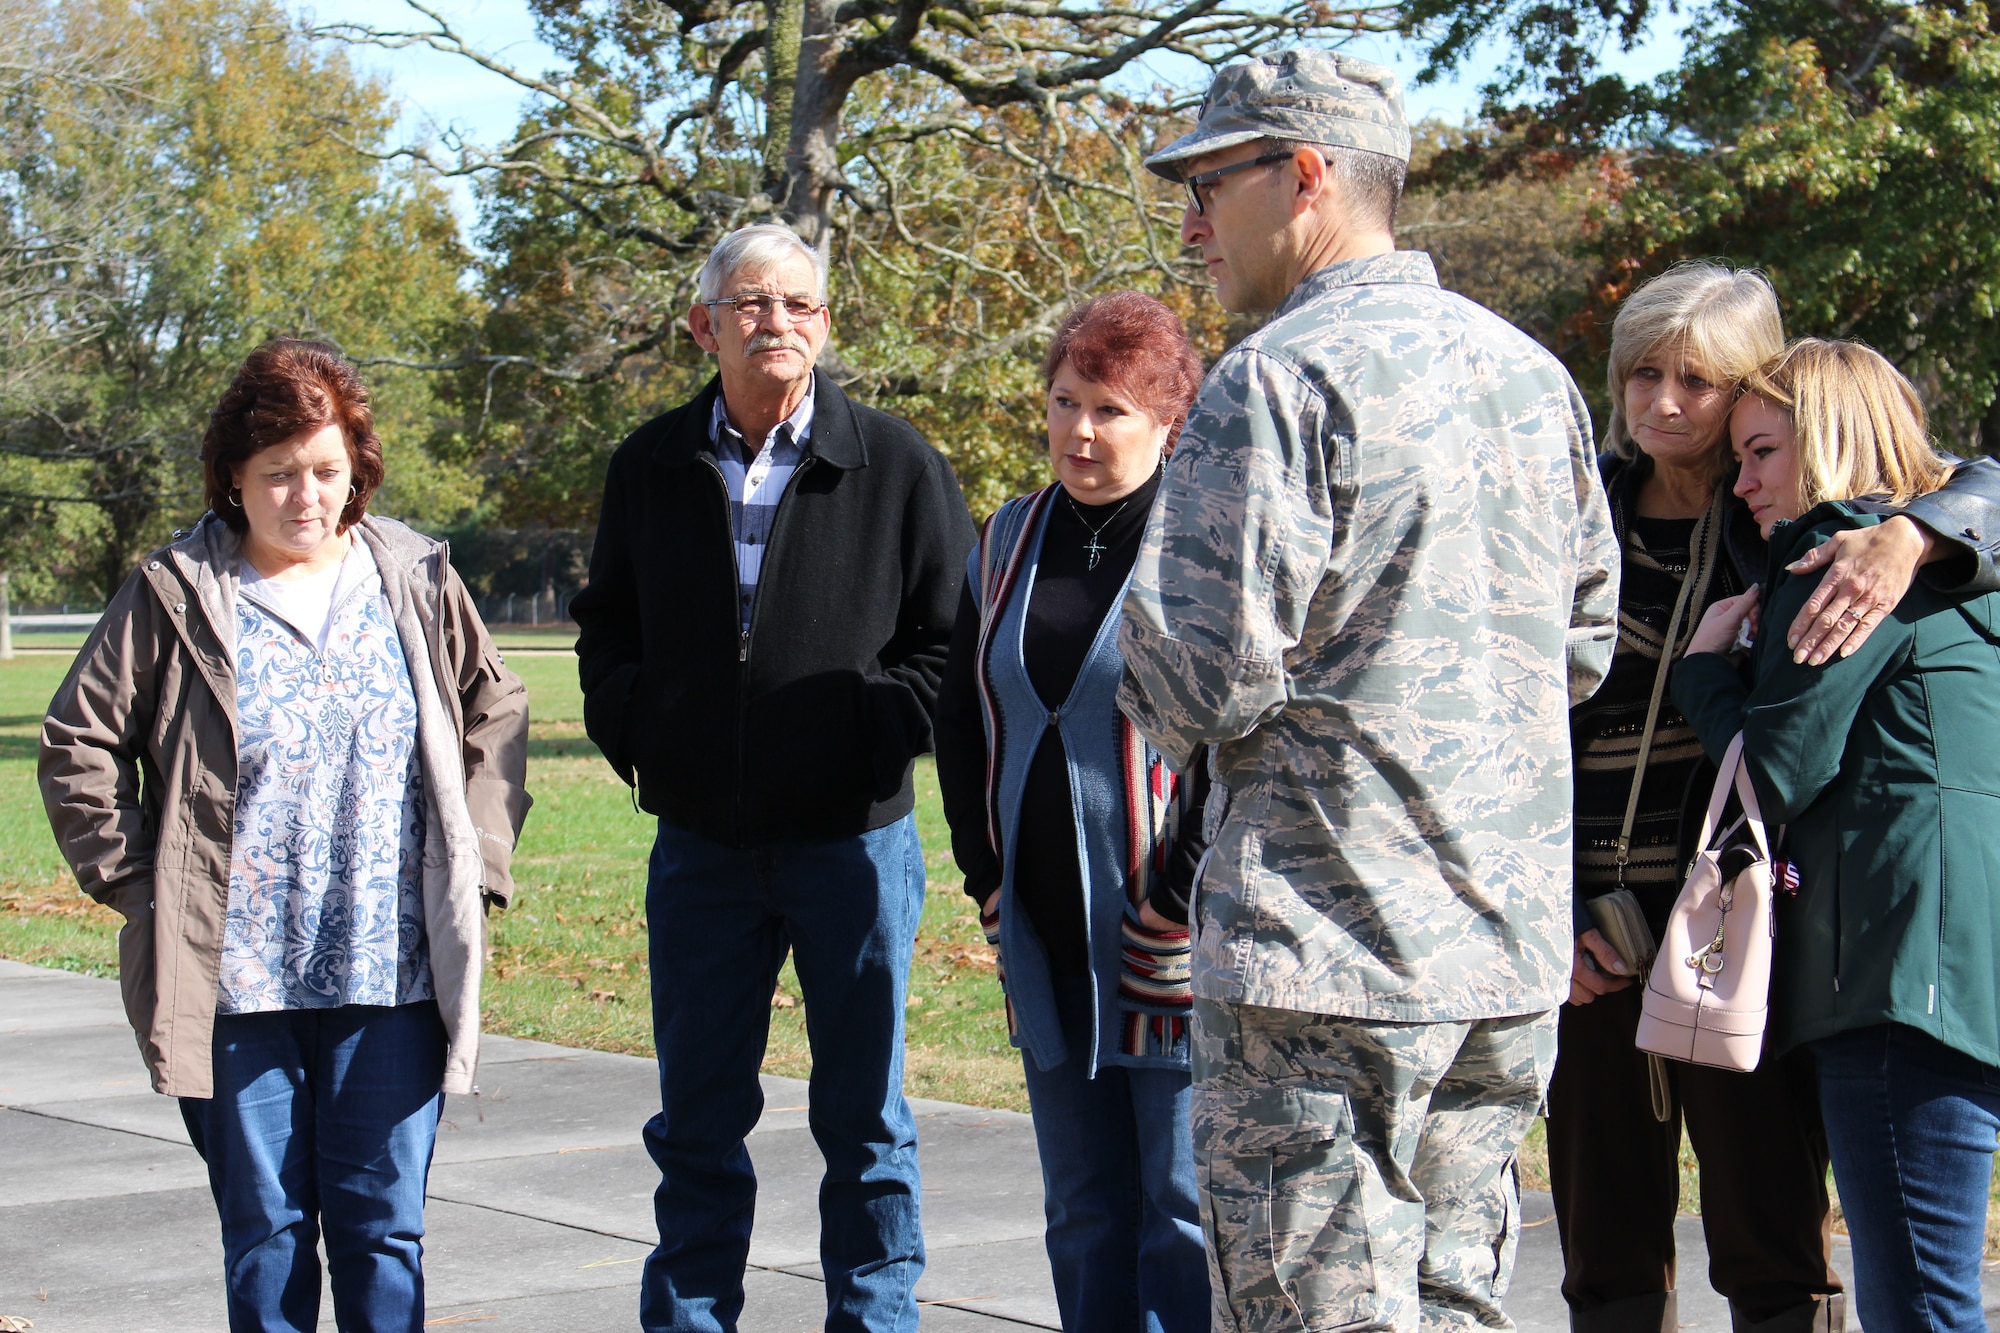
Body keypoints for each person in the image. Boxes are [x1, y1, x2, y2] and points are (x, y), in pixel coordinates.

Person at [1115, 49, 1623, 1329]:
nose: (1188, 220)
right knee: (1455, 1306)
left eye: (1207, 181)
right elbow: (1582, 646)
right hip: (1495, 964)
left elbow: (1192, 676)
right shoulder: (1530, 378)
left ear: (1303, 175)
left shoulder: (1276, 378)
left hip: (1321, 970)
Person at [39, 338, 532, 1332]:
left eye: (324, 470)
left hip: (389, 977)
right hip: (233, 982)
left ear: (356, 469)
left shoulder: (416, 577)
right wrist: (143, 885)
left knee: (382, 1230)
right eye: (277, 474)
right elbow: (77, 741)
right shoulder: (176, 588)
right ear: (233, 478)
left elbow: (498, 710)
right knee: (264, 1232)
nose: (303, 495)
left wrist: (478, 858)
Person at [1552, 270, 2000, 1333]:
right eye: (1639, 374)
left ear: (1752, 386)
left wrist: (1915, 533)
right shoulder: (1569, 522)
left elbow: (1960, 486)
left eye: (1694, 380)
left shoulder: (1809, 532)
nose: (1660, 403)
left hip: (1758, 927)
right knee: (1601, 1253)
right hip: (1588, 927)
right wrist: (1546, 905)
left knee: (1773, 1242)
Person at [570, 222, 977, 1333]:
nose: (776, 323)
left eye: (799, 305)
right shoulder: (649, 465)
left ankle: (876, 1320)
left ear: (825, 325)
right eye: (751, 304)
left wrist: (865, 731)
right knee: (696, 1122)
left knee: (867, 1121)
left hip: (852, 846)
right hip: (701, 847)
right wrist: (645, 730)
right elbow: (605, 630)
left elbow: (948, 641)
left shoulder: (894, 465)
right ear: (706, 325)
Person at [1674, 339, 2000, 1333]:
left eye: (1760, 451)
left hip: (1894, 981)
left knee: (1919, 1304)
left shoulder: (1841, 559)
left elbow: (1771, 774)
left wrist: (1700, 676)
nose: (1742, 485)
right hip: (1958, 967)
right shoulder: (1951, 568)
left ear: (1824, 439)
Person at [933, 291, 1210, 1333]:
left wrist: (1180, 897)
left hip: (1168, 931)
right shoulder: (1006, 537)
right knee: (1082, 1206)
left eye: (1109, 410)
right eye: (1062, 402)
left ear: (1166, 423)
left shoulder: (1199, 543)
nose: (1079, 432)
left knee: (1178, 1205)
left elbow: (1234, 737)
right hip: (1043, 927)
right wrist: (986, 879)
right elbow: (962, 715)